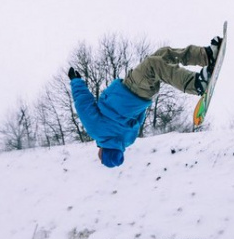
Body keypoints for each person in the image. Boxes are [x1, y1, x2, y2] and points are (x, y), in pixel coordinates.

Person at [68, 37, 222, 168]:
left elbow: (139, 120)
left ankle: (206, 55)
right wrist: (76, 81)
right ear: (104, 152)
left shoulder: (128, 140)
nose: (98, 153)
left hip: (143, 96)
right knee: (153, 64)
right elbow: (83, 105)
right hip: (131, 88)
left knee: (162, 55)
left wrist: (143, 103)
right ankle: (196, 84)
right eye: (100, 155)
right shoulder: (97, 132)